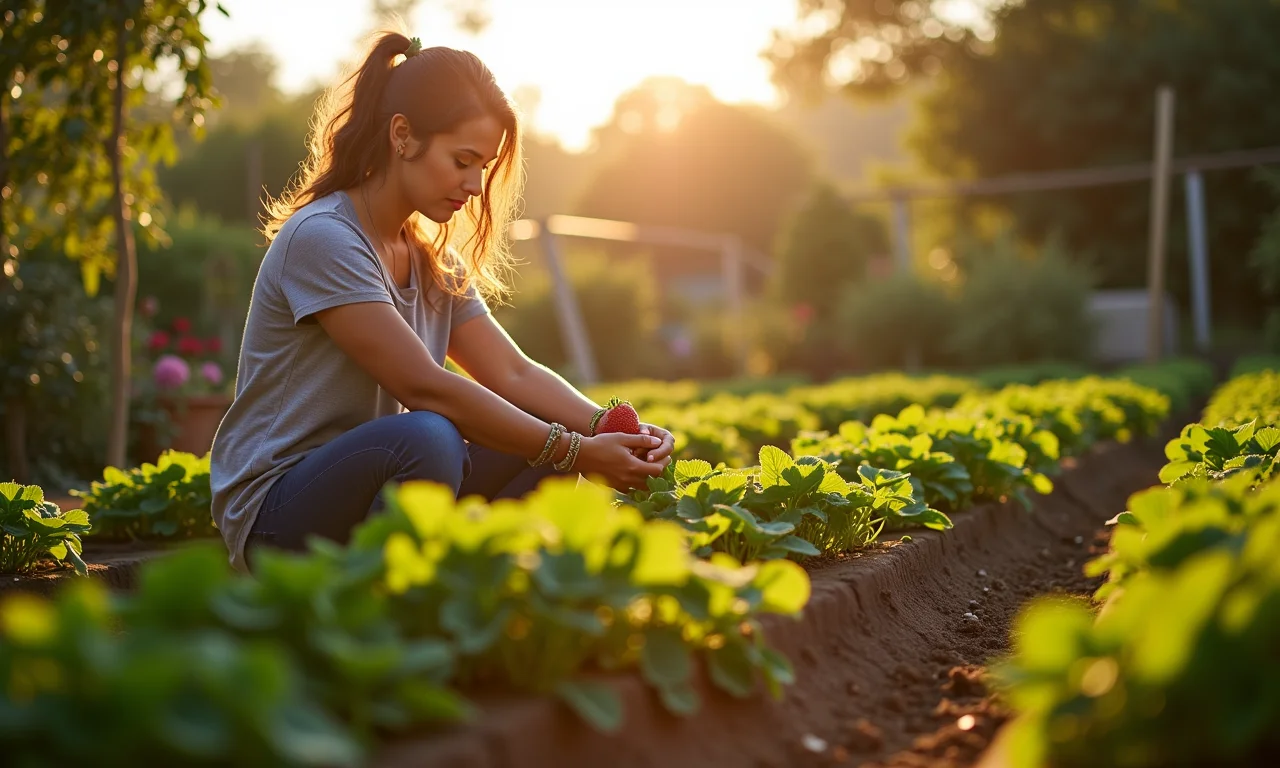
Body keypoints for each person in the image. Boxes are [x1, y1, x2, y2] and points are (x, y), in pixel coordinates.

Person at [210, 32, 674, 572]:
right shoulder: (324, 238)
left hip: (372, 492)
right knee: (430, 434)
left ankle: (476, 588)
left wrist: (609, 429)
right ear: (402, 136)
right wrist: (573, 450)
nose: (475, 185)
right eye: (462, 161)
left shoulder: (431, 258)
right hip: (277, 513)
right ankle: (384, 614)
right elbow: (422, 385)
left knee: (528, 419)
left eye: (483, 166)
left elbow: (514, 373)